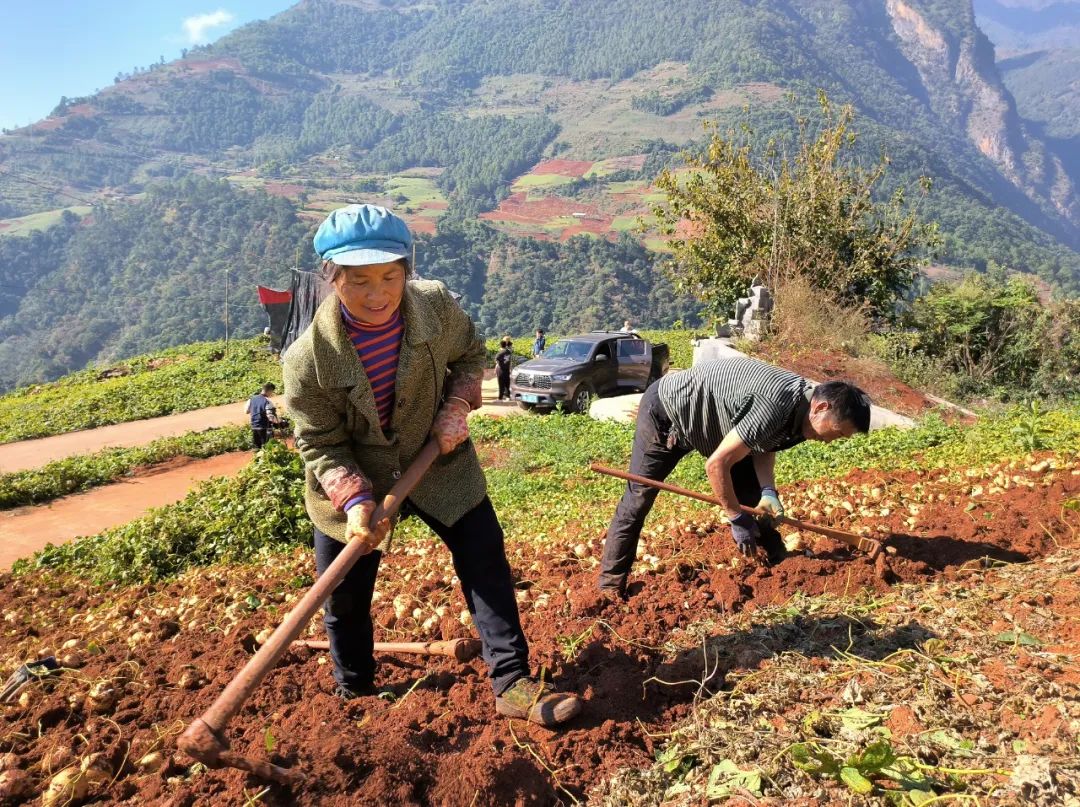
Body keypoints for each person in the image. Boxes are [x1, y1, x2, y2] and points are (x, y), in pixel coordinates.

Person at [283, 204, 581, 727]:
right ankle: (356, 697)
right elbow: (320, 441)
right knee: (345, 595)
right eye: (359, 282)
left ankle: (512, 682)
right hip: (356, 478)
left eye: (390, 277)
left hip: (439, 462)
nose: (378, 295)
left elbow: (470, 355)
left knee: (485, 563)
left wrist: (458, 405)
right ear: (331, 278)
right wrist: (354, 499)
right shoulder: (307, 361)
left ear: (406, 270)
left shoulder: (435, 307)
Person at [598, 358, 871, 596]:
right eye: (837, 432)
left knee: (753, 499)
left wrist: (768, 491)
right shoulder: (776, 403)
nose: (831, 441)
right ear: (821, 407)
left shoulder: (805, 418)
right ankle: (610, 585)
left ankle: (779, 566)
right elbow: (716, 466)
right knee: (638, 498)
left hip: (720, 423)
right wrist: (735, 517)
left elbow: (765, 443)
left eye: (840, 437)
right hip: (669, 411)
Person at [245, 382, 279, 449]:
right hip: (265, 428)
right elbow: (270, 417)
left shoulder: (251, 399)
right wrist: (280, 421)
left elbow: (246, 411)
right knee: (268, 448)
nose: (271, 394)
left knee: (257, 448)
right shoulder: (267, 401)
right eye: (272, 392)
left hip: (254, 427)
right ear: (270, 390)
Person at [495, 337, 513, 401]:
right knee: (507, 384)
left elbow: (497, 360)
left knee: (501, 385)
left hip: (501, 371)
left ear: (500, 346)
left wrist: (499, 366)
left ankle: (500, 398)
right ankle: (508, 397)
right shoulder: (509, 352)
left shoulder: (500, 353)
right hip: (507, 370)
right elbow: (510, 361)